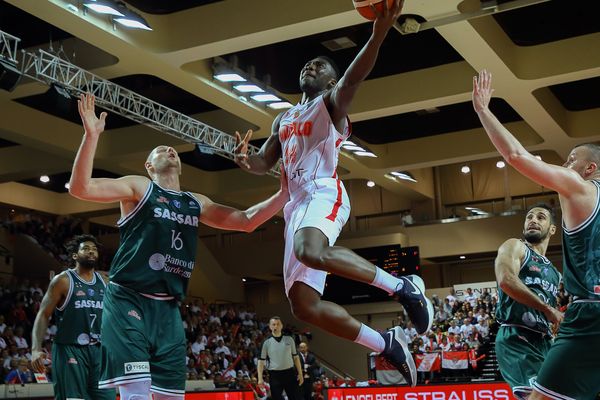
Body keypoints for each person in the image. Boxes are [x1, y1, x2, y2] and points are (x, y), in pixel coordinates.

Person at [233, 0, 431, 386]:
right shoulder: (284, 117)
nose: (311, 66)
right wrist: (247, 160)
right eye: (308, 63)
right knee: (304, 307)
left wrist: (378, 34)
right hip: (296, 208)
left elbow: (354, 78)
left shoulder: (331, 104)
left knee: (311, 251)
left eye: (321, 66)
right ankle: (385, 343)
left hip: (324, 192)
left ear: (329, 83)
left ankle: (401, 286)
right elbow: (265, 160)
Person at [68, 94, 289, 399]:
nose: (169, 149)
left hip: (168, 306)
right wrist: (91, 136)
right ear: (149, 165)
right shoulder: (139, 187)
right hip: (127, 299)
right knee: (137, 393)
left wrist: (283, 193)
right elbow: (81, 189)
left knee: (171, 396)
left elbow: (246, 220)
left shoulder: (195, 202)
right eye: (160, 149)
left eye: (172, 149)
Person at [473, 69, 600, 400]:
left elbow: (516, 156)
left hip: (590, 316)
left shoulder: (581, 188)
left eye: (571, 160)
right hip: (525, 335)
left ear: (590, 169)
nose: (565, 165)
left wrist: (484, 111)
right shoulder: (517, 246)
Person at [31, 234, 115, 400]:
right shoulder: (62, 281)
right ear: (75, 255)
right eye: (86, 249)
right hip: (70, 348)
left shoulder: (106, 281)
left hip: (99, 350)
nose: (91, 252)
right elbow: (43, 314)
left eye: (94, 249)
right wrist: (36, 349)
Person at [493, 204, 562, 400]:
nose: (533, 220)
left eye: (541, 217)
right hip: (516, 336)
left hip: (544, 341)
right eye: (529, 217)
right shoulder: (516, 246)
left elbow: (551, 314)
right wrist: (548, 309)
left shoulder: (555, 274)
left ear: (552, 229)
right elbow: (506, 280)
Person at [258, 317, 303, 400]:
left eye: (278, 324)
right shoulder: (266, 342)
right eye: (273, 324)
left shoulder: (289, 339)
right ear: (270, 326)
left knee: (295, 398)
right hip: (275, 376)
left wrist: (300, 373)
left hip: (290, 373)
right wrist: (260, 378)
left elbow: (296, 357)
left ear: (281, 326)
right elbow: (261, 362)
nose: (276, 326)